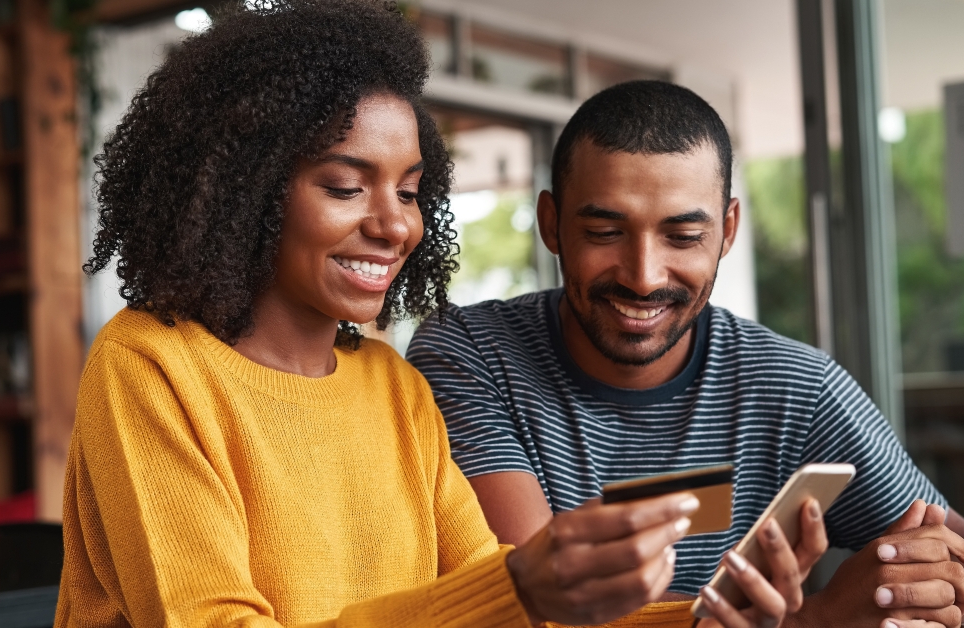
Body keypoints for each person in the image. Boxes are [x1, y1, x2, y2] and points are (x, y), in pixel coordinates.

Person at [56, 3, 823, 627]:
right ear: (245, 191)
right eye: (347, 187)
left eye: (411, 190)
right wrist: (517, 590)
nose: (395, 225)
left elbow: (498, 602)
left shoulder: (393, 387)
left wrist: (703, 620)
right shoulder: (152, 366)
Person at [407, 80, 964, 628]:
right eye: (605, 232)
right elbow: (540, 609)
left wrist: (903, 584)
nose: (643, 277)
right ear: (552, 224)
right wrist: (816, 620)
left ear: (728, 230)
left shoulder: (794, 386)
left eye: (683, 236)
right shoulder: (470, 356)